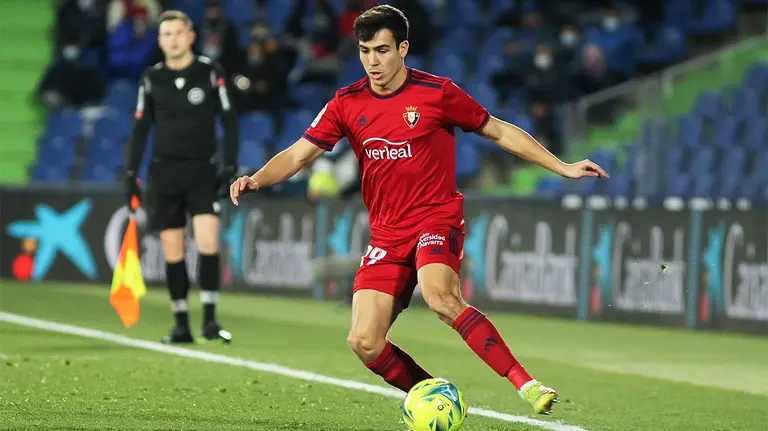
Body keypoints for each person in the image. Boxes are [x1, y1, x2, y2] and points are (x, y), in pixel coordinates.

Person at [230, 5, 608, 414]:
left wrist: (563, 167)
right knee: (364, 341)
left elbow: (499, 131)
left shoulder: (437, 93)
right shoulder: (346, 103)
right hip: (387, 234)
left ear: (403, 48)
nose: (372, 61)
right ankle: (434, 394)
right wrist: (258, 179)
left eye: (382, 50)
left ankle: (527, 384)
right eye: (364, 51)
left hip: (436, 217)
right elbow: (299, 155)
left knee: (441, 297)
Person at [125, 10, 239, 345]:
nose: (172, 39)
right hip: (164, 173)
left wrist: (229, 166)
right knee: (173, 250)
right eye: (166, 34)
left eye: (178, 33)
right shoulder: (152, 78)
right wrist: (131, 173)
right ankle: (180, 324)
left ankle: (210, 320)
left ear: (190, 36)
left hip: (202, 170)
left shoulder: (209, 71)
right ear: (159, 41)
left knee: (207, 242)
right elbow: (140, 128)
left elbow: (230, 121)